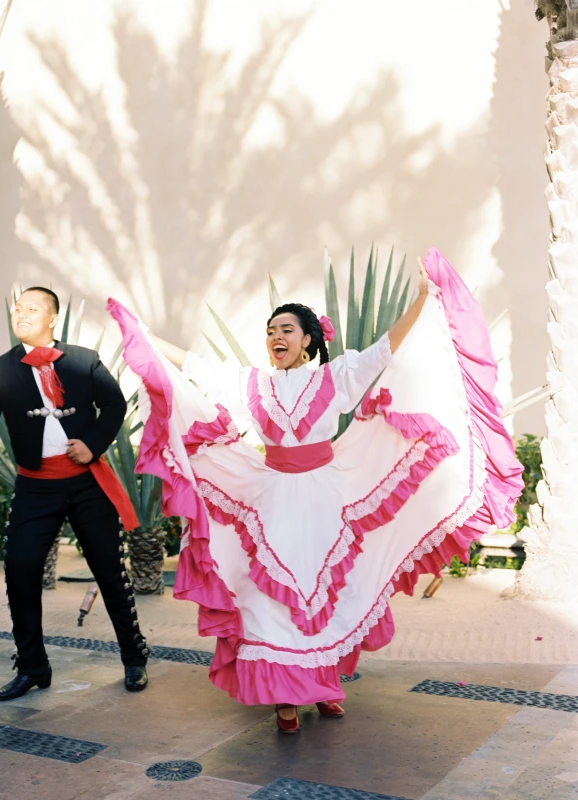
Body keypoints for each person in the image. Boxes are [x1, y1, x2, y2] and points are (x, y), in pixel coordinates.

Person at [108, 248, 523, 733]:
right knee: (273, 597)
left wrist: (421, 299)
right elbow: (197, 366)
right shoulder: (252, 385)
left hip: (326, 495)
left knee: (328, 592)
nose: (275, 337)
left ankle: (322, 685)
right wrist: (148, 337)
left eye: (285, 329)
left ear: (308, 340)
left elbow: (387, 348)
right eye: (269, 331)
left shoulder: (337, 376)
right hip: (272, 497)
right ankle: (286, 695)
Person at [0, 287, 150, 700]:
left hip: (87, 482)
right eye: (18, 308)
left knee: (108, 569)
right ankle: (33, 667)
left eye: (32, 308)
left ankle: (134, 657)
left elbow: (114, 406)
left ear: (52, 318)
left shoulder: (82, 360)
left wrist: (92, 443)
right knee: (20, 569)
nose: (22, 314)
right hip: (35, 486)